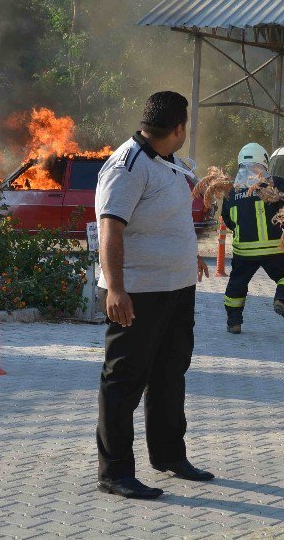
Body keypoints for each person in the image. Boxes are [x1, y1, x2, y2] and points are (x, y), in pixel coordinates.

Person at [95, 91, 214, 499]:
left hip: (177, 288)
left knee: (169, 375)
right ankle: (114, 473)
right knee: (123, 382)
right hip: (139, 294)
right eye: (187, 126)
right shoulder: (127, 166)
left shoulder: (169, 163)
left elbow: (169, 217)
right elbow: (110, 227)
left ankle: (168, 455)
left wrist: (188, 254)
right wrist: (115, 288)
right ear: (178, 128)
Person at [220, 143, 284, 335]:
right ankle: (281, 299)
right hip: (272, 248)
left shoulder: (231, 190)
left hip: (243, 250)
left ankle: (234, 322)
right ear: (264, 162)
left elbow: (227, 218)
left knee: (236, 284)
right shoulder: (274, 183)